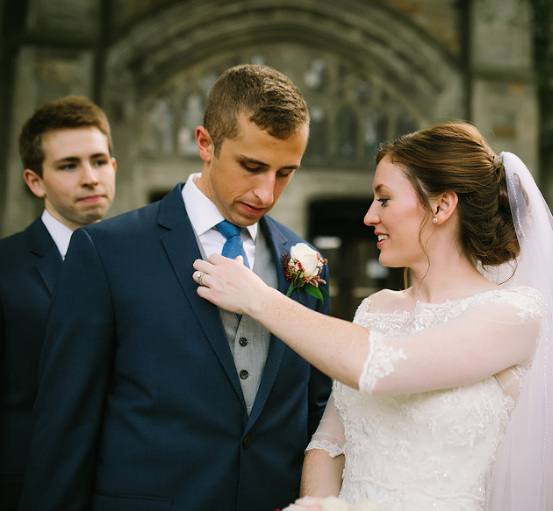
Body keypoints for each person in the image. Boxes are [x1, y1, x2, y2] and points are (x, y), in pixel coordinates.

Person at [193, 122, 553, 511]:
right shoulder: (374, 308)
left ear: (442, 206)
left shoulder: (513, 314)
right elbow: (329, 443)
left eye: (384, 199)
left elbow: (383, 368)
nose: (369, 216)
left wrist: (260, 299)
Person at [21, 64, 331, 511]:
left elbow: (316, 411)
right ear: (205, 143)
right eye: (252, 166)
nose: (266, 192)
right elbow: (65, 424)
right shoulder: (106, 251)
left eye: (286, 172)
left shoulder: (306, 261)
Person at [0, 95, 116, 510]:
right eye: (69, 165)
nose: (90, 177)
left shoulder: (143, 262)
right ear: (35, 181)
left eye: (99, 161)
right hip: (28, 491)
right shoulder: (5, 268)